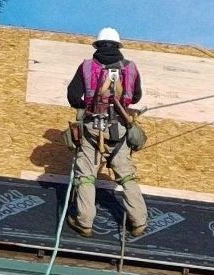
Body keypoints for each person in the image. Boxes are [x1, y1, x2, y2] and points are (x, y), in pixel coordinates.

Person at [63, 27, 150, 238]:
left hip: (93, 127)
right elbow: (136, 97)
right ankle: (139, 222)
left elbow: (74, 96)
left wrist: (89, 106)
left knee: (85, 177)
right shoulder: (130, 68)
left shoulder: (86, 67)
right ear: (118, 46)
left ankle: (84, 222)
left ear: (98, 45)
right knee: (127, 176)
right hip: (120, 128)